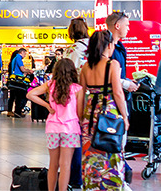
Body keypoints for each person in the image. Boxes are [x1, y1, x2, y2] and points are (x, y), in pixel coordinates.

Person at [80, 30, 129, 190]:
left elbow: (81, 93)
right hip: (109, 114)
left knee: (90, 151)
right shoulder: (112, 65)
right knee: (112, 149)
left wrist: (81, 117)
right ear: (109, 45)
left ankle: (92, 185)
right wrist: (125, 116)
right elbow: (117, 92)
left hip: (90, 114)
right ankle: (111, 185)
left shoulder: (86, 67)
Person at [27, 58, 84, 191]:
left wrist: (47, 106)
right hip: (70, 129)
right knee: (65, 165)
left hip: (52, 128)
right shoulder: (77, 89)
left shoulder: (50, 84)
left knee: (53, 164)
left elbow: (30, 94)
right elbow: (79, 112)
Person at [106, 11, 138, 186]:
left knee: (119, 141)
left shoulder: (119, 47)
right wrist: (124, 84)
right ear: (117, 26)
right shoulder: (107, 47)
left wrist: (126, 83)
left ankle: (117, 177)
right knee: (115, 140)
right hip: (111, 102)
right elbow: (105, 74)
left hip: (120, 97)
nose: (129, 28)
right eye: (127, 25)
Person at [63, 17, 90, 189]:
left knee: (75, 138)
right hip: (92, 95)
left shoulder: (71, 50)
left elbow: (66, 75)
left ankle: (75, 178)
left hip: (74, 97)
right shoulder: (95, 48)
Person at [7, 48, 33, 118]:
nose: (25, 55)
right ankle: (18, 112)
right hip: (18, 81)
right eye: (25, 53)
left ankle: (16, 112)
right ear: (22, 52)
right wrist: (29, 71)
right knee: (21, 96)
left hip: (15, 81)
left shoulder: (14, 58)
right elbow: (22, 69)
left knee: (16, 97)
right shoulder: (18, 58)